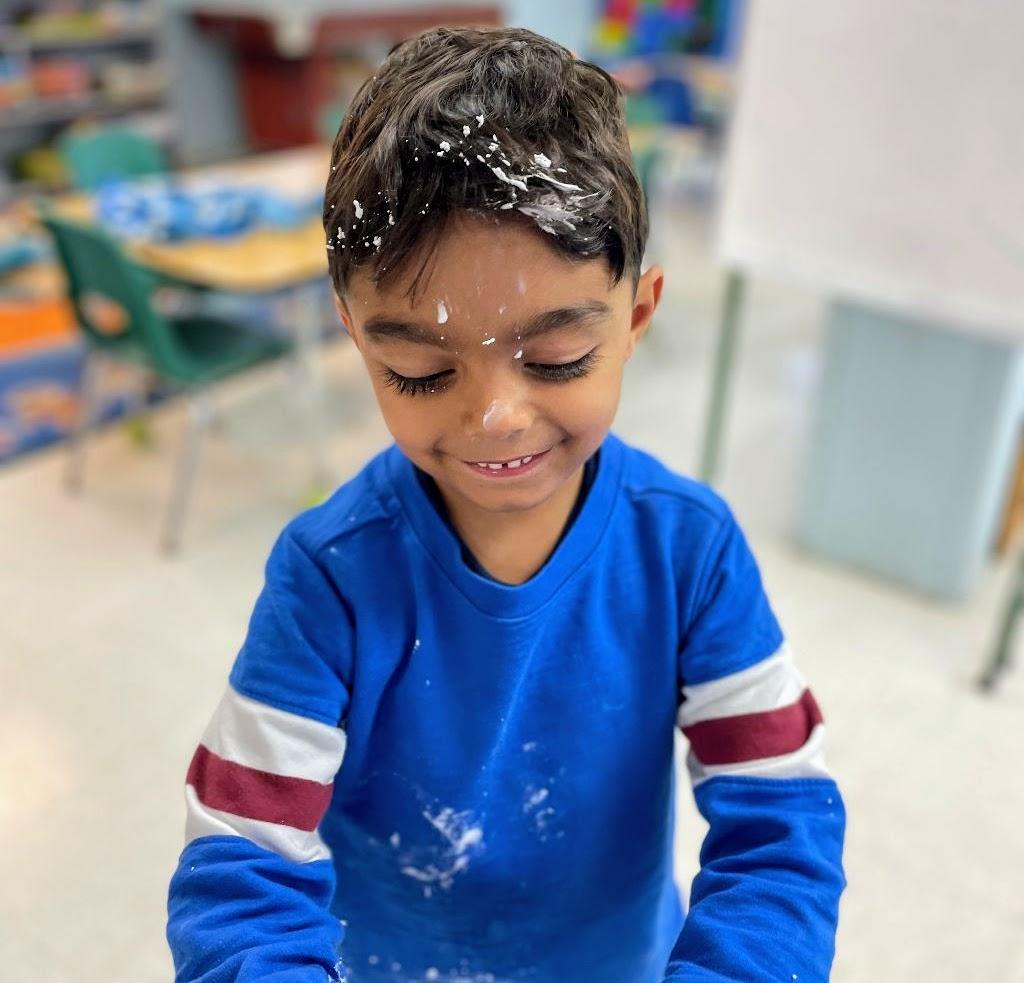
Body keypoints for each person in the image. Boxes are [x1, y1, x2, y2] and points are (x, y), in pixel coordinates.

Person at [167, 26, 845, 983]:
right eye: (420, 370)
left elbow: (783, 821)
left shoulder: (689, 551)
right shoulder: (330, 576)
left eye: (558, 359)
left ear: (636, 316)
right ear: (355, 336)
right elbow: (240, 866)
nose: (495, 418)